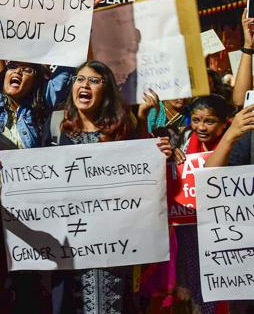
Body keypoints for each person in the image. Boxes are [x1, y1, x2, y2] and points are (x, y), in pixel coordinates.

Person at [50, 60, 172, 314]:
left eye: (94, 80)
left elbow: (139, 177)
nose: (85, 85)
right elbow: (38, 174)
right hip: (68, 243)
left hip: (112, 244)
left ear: (106, 90)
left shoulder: (121, 130)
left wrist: (158, 150)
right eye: (80, 79)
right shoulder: (55, 128)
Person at [170, 95, 232, 314]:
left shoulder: (235, 143)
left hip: (224, 230)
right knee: (196, 289)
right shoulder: (185, 138)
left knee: (222, 287)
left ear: (225, 123)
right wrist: (174, 156)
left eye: (210, 121)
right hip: (190, 230)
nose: (201, 127)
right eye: (196, 120)